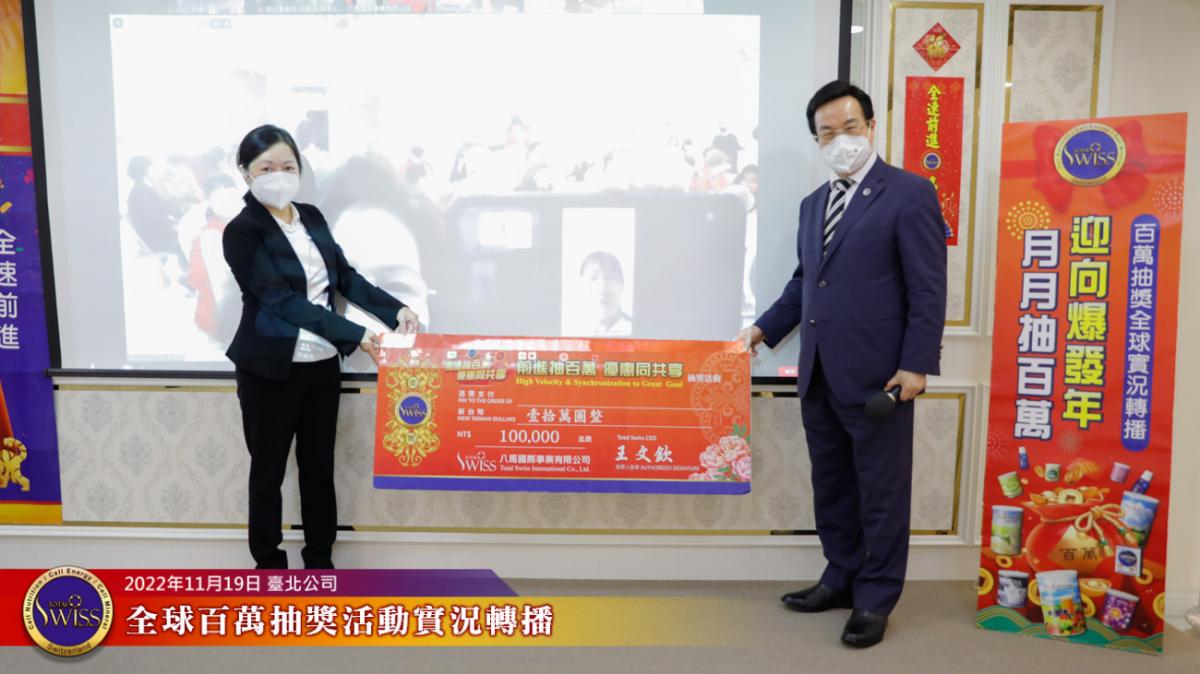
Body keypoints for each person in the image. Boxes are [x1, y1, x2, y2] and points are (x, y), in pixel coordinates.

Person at [739, 82, 947, 648]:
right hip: (820, 373)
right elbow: (805, 284)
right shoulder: (813, 205)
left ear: (871, 126)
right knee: (832, 485)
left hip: (882, 378)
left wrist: (916, 366)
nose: (840, 140)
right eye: (826, 133)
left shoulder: (909, 193)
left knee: (881, 492)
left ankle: (876, 597)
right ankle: (841, 576)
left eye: (849, 127)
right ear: (817, 140)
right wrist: (761, 330)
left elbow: (928, 288)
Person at [222, 124, 420, 569]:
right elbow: (281, 300)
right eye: (266, 168)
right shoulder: (242, 231)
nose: (279, 175)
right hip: (269, 369)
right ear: (246, 172)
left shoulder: (311, 216)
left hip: (322, 366)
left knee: (318, 468)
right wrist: (358, 335)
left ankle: (320, 561)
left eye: (288, 166)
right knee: (268, 471)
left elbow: (344, 277)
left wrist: (395, 311)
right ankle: (269, 564)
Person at [577, 251, 632, 336]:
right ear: (581, 286)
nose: (602, 285)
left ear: (622, 284)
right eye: (593, 277)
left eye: (610, 277)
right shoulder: (571, 331)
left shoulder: (638, 330)